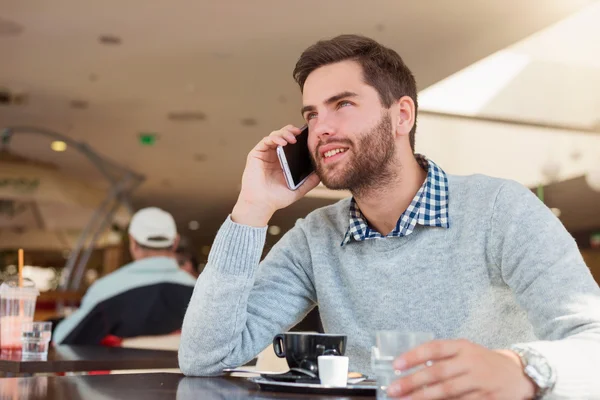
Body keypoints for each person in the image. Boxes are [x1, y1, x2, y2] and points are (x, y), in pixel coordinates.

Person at [179, 35, 600, 399]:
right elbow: (205, 357)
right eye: (311, 114)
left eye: (341, 104)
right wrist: (252, 209)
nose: (320, 128)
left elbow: (593, 342)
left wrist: (521, 369)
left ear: (402, 115)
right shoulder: (315, 239)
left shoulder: (500, 209)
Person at [53, 207, 197, 345]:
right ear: (175, 242)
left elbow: (62, 339)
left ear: (133, 242)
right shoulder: (200, 293)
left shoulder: (105, 290)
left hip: (121, 370)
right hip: (180, 371)